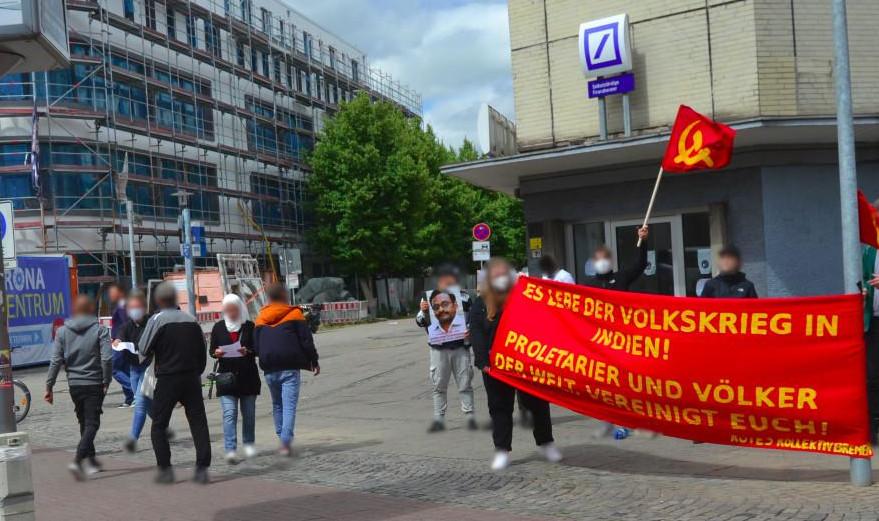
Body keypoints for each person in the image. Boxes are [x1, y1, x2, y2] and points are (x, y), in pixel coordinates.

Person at [471, 257, 562, 471]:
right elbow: (476, 333)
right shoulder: (481, 303)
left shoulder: (524, 297)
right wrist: (483, 362)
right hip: (495, 368)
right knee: (500, 408)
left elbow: (540, 324)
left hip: (524, 365)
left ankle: (546, 444)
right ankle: (502, 450)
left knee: (537, 405)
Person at [138, 282, 211, 484]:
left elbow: (143, 348)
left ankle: (166, 470)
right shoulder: (191, 320)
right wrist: (197, 371)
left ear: (159, 300)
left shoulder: (157, 320)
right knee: (198, 422)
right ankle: (202, 469)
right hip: (191, 378)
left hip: (168, 378)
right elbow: (202, 352)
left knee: (159, 425)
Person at [583, 226, 649, 439]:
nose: (601, 261)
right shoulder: (589, 285)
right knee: (604, 385)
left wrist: (643, 241)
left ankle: (625, 421)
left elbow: (639, 265)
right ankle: (609, 419)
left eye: (605, 257)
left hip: (621, 340)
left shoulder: (620, 278)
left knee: (622, 383)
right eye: (598, 258)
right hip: (599, 342)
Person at [45, 295, 112, 481]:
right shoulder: (100, 330)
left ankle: (91, 461)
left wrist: (49, 386)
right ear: (91, 310)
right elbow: (107, 358)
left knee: (84, 421)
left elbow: (56, 360)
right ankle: (78, 459)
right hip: (94, 382)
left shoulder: (62, 332)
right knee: (93, 423)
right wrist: (107, 380)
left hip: (74, 384)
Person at [253, 283, 319, 456]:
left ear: (269, 298)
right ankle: (285, 442)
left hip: (269, 368)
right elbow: (306, 341)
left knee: (277, 405)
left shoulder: (260, 317)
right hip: (290, 367)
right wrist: (314, 361)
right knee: (289, 407)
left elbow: (256, 346)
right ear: (284, 296)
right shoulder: (294, 314)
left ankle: (281, 437)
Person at [416, 263, 476, 432]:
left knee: (465, 383)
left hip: (460, 347)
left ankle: (469, 415)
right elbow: (420, 321)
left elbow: (473, 319)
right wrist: (424, 311)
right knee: (439, 385)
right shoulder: (428, 299)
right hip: (438, 348)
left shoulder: (464, 298)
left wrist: (469, 331)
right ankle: (439, 417)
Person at [210, 294, 260, 464]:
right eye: (228, 310)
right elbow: (212, 350)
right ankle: (230, 450)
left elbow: (258, 349)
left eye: (234, 309)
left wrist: (249, 351)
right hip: (226, 379)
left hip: (247, 377)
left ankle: (249, 445)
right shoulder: (218, 327)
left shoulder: (249, 326)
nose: (231, 313)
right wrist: (216, 353)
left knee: (249, 415)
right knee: (229, 414)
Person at [115, 291, 157, 453]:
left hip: (149, 368)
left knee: (139, 402)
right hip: (134, 369)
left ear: (144, 308)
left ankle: (133, 439)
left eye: (137, 307)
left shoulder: (151, 323)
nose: (134, 311)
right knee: (146, 405)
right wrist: (118, 342)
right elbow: (119, 337)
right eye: (131, 308)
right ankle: (162, 424)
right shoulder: (127, 326)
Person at [864, 230, 879, 444]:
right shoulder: (868, 252)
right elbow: (860, 278)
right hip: (873, 321)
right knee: (872, 376)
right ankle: (873, 427)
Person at [108, 282, 134, 408]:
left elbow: (125, 324)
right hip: (122, 341)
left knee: (114, 369)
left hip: (120, 343)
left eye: (112, 292)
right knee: (124, 369)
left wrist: (118, 338)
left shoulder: (122, 305)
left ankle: (134, 392)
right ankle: (130, 398)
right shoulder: (121, 305)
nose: (110, 295)